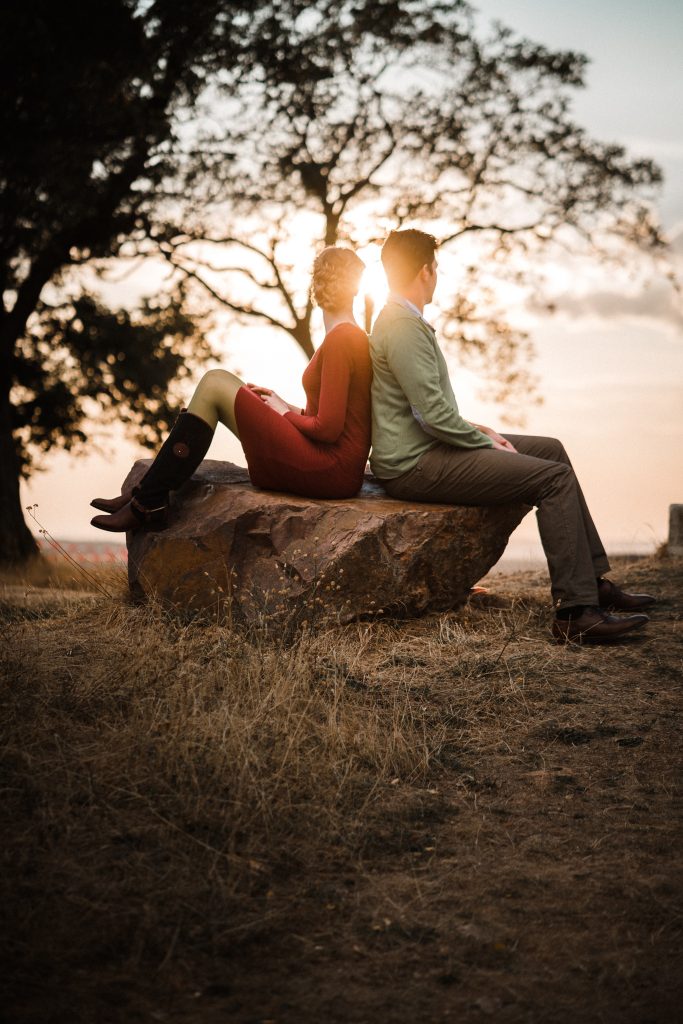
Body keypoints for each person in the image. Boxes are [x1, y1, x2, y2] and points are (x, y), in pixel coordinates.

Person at [369, 229, 655, 644]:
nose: (438, 276)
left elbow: (431, 411)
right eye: (437, 268)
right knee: (553, 479)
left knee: (550, 450)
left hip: (429, 446)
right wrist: (484, 442)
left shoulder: (404, 320)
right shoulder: (401, 326)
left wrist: (482, 429)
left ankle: (593, 584)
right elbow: (431, 417)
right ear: (426, 270)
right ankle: (575, 612)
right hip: (415, 463)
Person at [90, 246, 371, 531]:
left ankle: (147, 500)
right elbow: (329, 416)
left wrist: (284, 414)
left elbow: (328, 429)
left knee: (215, 383)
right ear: (356, 287)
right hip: (331, 464)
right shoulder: (344, 335)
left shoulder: (342, 338)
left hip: (331, 471)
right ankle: (146, 492)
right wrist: (284, 405)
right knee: (228, 386)